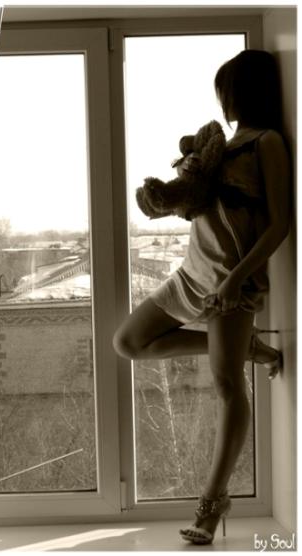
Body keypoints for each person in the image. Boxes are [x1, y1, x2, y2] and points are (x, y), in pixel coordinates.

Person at [112, 49, 291, 545]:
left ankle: (212, 504)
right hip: (192, 273)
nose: (221, 101)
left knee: (228, 387)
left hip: (231, 281)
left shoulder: (267, 143)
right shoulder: (220, 146)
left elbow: (279, 224)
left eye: (224, 90)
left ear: (241, 93)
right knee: (128, 341)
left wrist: (236, 280)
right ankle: (250, 348)